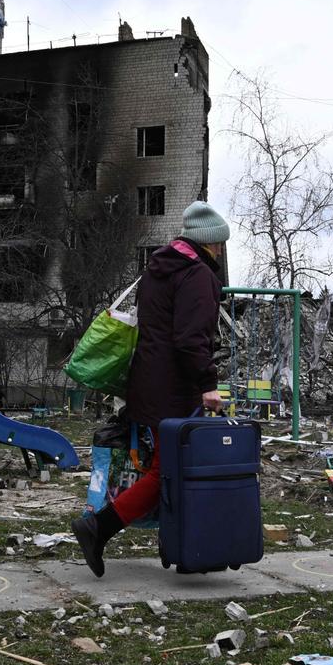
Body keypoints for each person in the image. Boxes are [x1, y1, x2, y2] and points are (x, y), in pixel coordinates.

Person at [71, 201, 229, 577]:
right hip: (174, 388)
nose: (221, 250)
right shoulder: (196, 276)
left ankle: (180, 548)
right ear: (207, 242)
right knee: (167, 470)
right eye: (219, 243)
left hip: (148, 382)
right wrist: (208, 383)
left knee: (172, 468)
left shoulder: (158, 268)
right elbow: (191, 339)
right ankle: (98, 527)